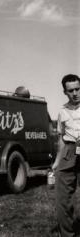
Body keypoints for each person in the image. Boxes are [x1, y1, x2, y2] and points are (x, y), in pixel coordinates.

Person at [52, 74, 80, 237]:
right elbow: (60, 139)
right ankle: (68, 234)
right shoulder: (62, 112)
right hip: (70, 151)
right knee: (63, 197)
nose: (75, 93)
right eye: (71, 90)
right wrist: (57, 161)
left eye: (78, 89)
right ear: (65, 92)